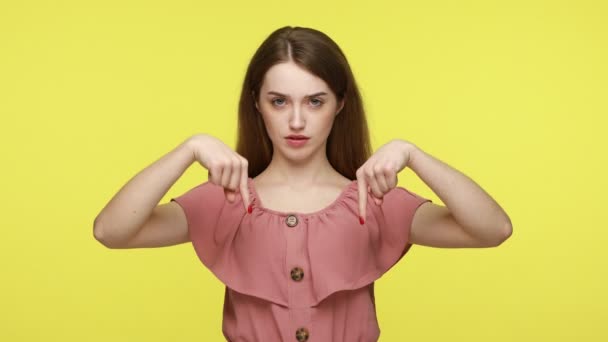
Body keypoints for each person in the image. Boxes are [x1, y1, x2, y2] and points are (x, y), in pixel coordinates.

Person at [93, 26, 512, 342]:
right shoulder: (226, 201)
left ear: (340, 103)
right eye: (279, 101)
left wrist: (413, 154)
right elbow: (111, 231)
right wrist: (189, 148)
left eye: (315, 101)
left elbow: (493, 229)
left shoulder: (373, 201)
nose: (296, 121)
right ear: (257, 104)